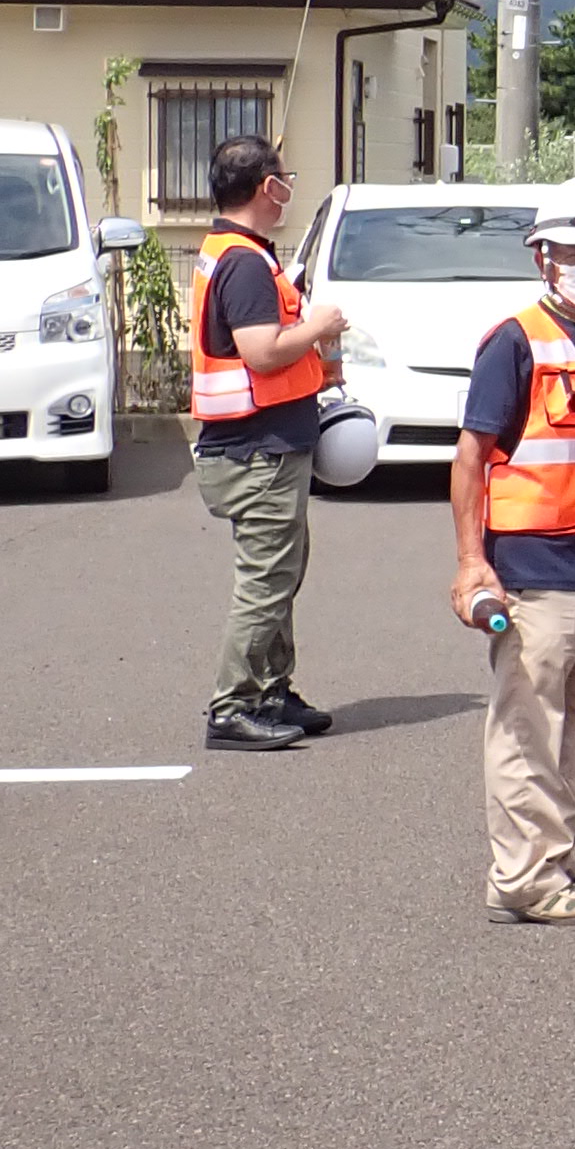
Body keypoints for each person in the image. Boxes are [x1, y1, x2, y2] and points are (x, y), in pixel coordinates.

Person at [449, 178, 575, 926]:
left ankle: (555, 854)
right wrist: (473, 563)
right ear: (544, 258)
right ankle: (522, 876)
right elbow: (471, 458)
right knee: (526, 725)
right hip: (534, 573)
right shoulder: (514, 340)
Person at [188, 133, 347, 754]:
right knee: (265, 580)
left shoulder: (232, 251)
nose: (287, 191)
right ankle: (233, 705)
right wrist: (319, 326)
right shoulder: (245, 261)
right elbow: (261, 349)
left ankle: (271, 689)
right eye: (283, 179)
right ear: (264, 187)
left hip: (255, 444)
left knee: (280, 572)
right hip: (257, 449)